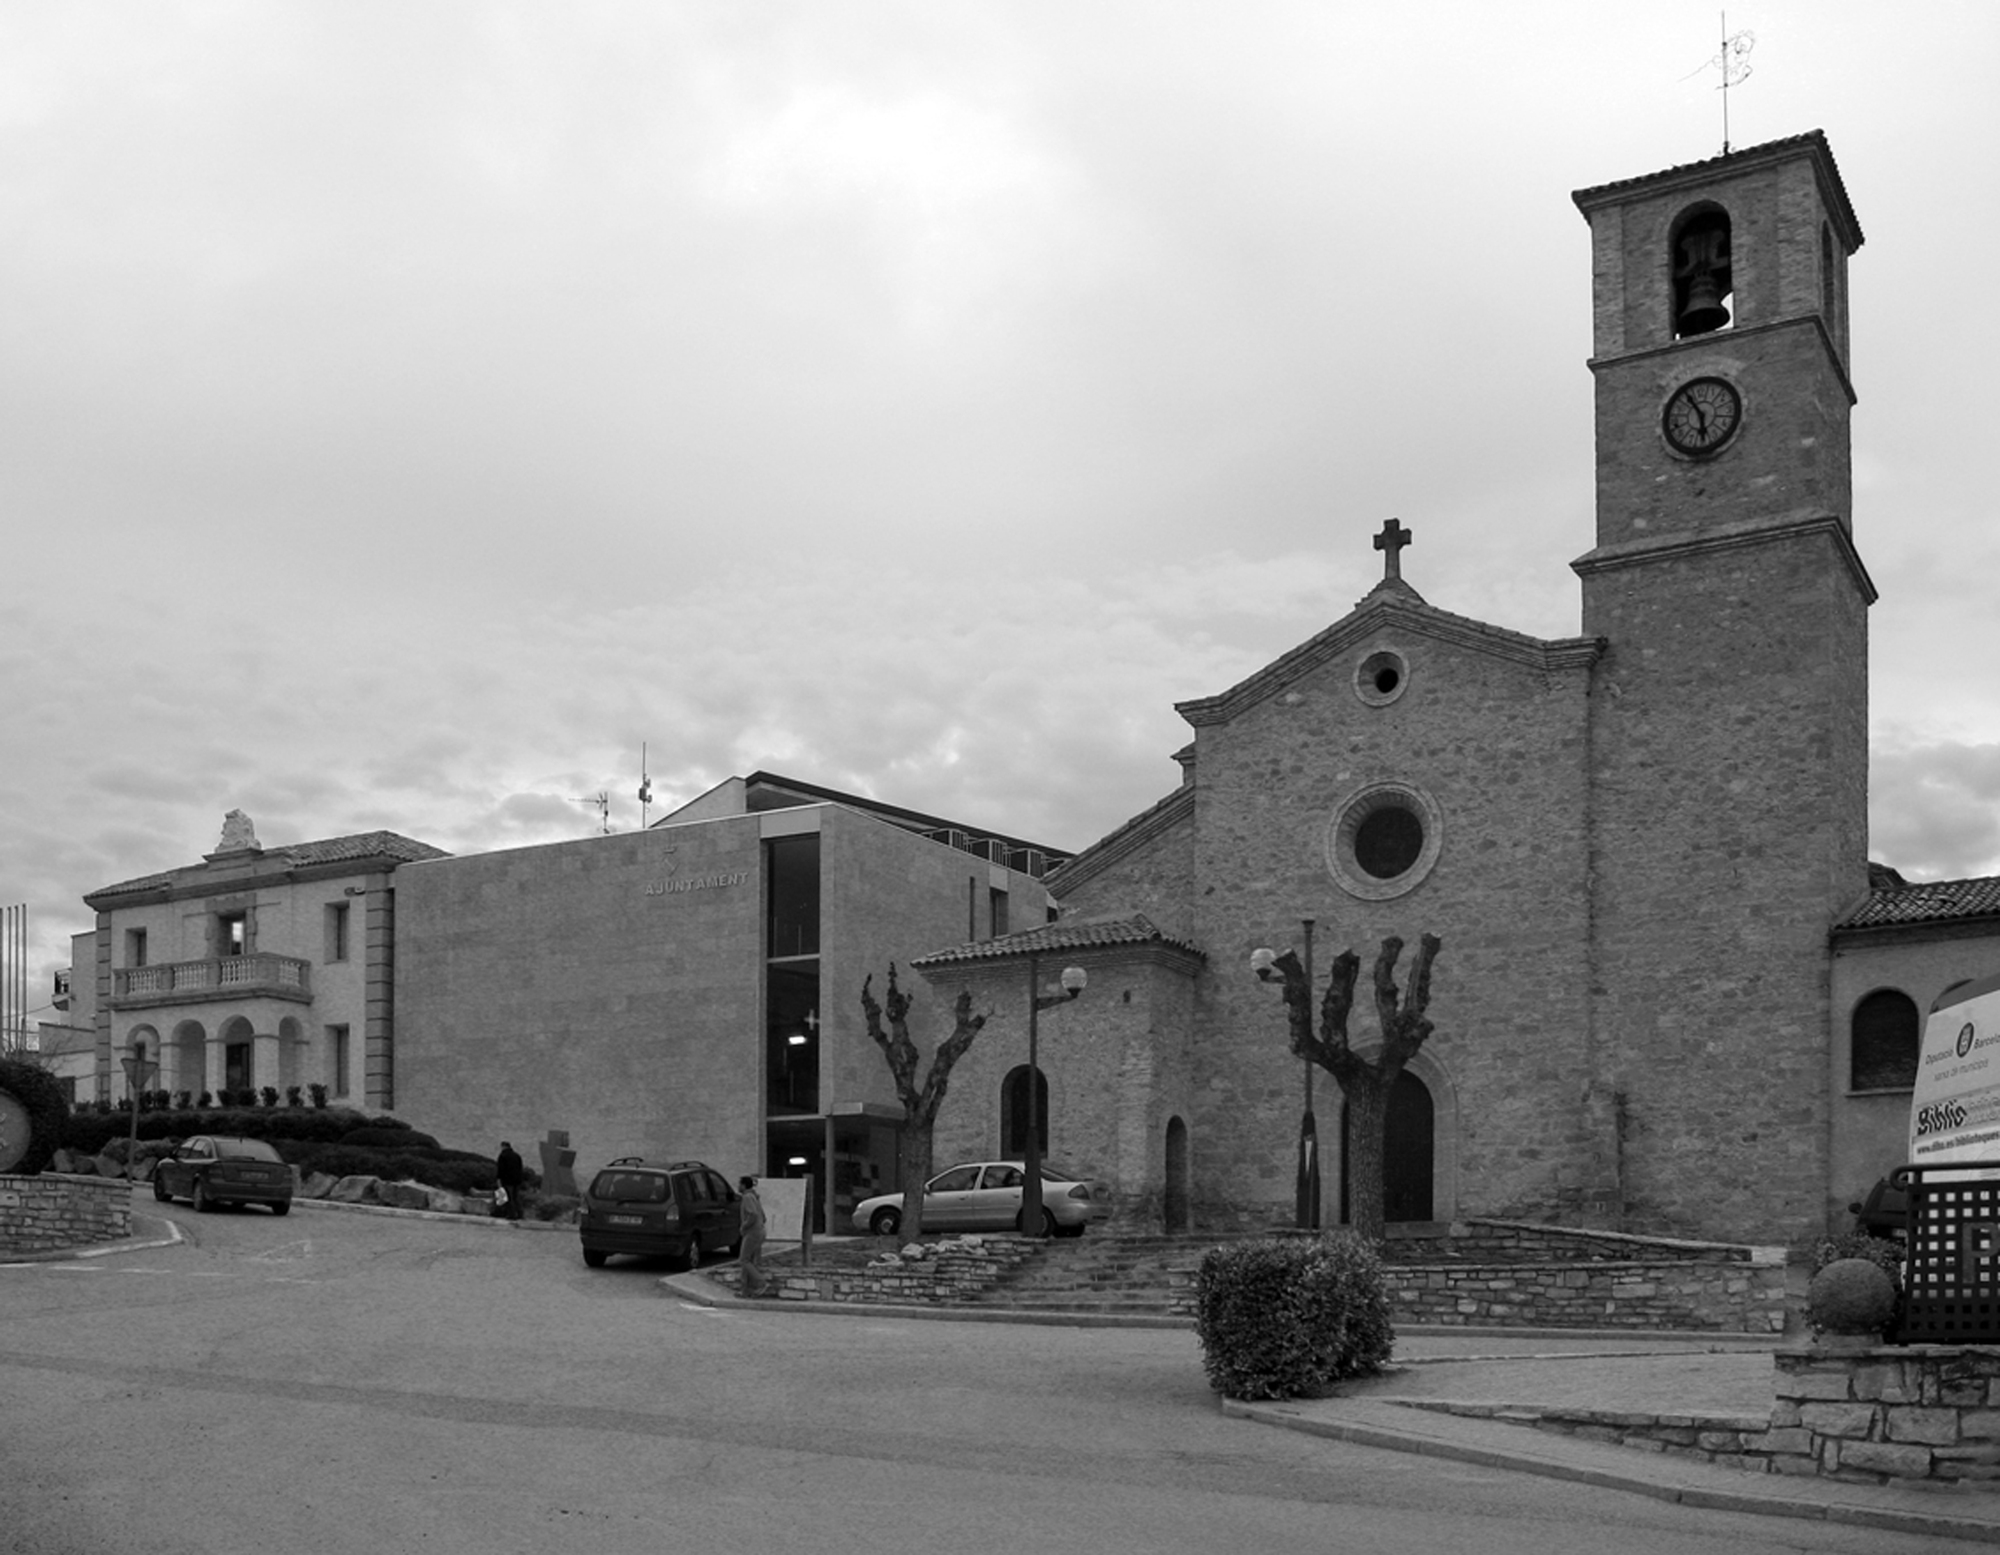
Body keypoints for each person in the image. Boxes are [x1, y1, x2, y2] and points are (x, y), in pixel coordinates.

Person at [737, 1174, 770, 1297]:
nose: (738, 1186)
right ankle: (746, 1290)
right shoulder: (755, 1197)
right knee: (749, 1260)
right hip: (760, 1231)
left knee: (744, 1260)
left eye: (739, 1184)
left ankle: (761, 1282)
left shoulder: (747, 1198)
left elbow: (753, 1214)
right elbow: (763, 1216)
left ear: (744, 1185)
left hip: (752, 1232)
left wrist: (744, 1226)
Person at [495, 1140, 524, 1221]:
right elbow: (520, 1168)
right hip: (517, 1180)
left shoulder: (503, 1156)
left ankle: (511, 1214)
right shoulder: (517, 1156)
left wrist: (498, 1179)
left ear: (503, 1146)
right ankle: (520, 1213)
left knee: (507, 1197)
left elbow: (501, 1169)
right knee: (516, 1197)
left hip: (507, 1180)